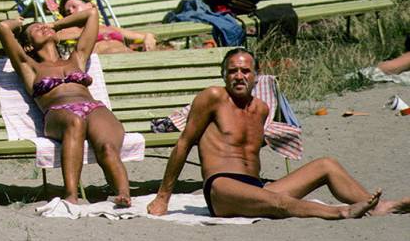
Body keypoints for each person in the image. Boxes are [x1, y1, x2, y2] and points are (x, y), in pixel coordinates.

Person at [148, 48, 410, 219]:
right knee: (279, 202)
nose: (239, 76)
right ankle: (340, 212)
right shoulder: (213, 97)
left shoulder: (261, 109)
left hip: (257, 186)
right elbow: (183, 144)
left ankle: (376, 206)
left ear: (256, 76)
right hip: (222, 188)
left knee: (326, 164)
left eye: (245, 71)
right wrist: (163, 199)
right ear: (223, 76)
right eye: (232, 71)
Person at [0, 8, 131, 207]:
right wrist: (18, 22)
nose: (42, 27)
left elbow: (91, 14)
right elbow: (3, 28)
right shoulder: (29, 66)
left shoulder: (76, 58)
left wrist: (55, 24)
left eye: (43, 25)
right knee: (74, 122)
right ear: (27, 46)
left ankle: (123, 193)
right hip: (57, 115)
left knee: (107, 145)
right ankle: (71, 194)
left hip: (93, 107)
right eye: (36, 29)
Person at [54, 0, 156, 53]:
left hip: (129, 57)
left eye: (74, 7)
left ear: (90, 6)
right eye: (67, 12)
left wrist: (149, 37)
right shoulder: (69, 32)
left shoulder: (109, 28)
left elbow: (143, 36)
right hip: (106, 63)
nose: (71, 11)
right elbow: (53, 39)